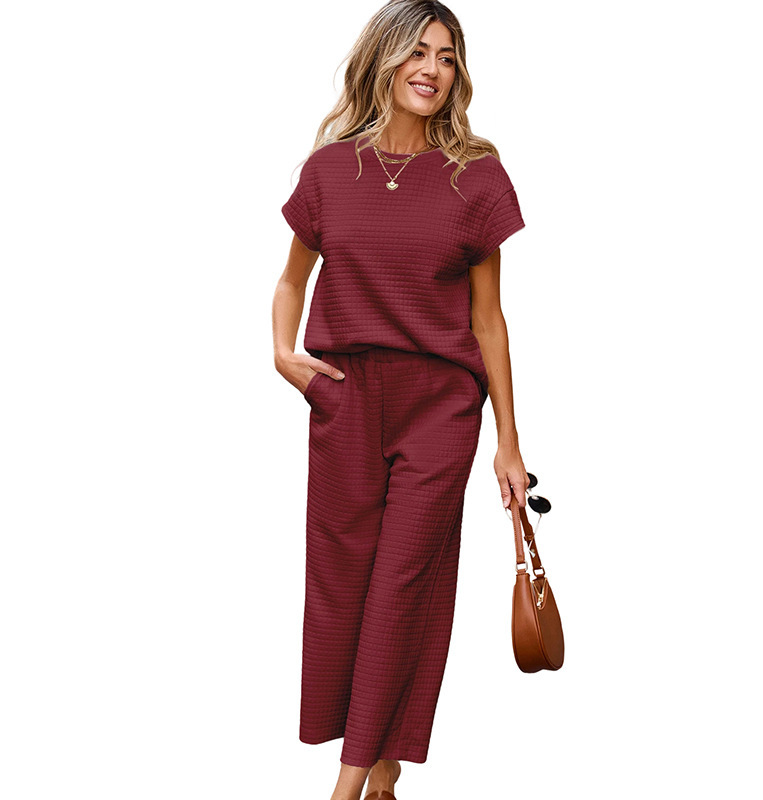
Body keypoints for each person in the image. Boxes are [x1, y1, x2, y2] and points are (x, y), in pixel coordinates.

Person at [273, 2, 530, 798]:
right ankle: (382, 766)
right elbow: (291, 280)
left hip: (440, 405)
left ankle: (346, 787)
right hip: (346, 399)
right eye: (418, 51)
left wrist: (508, 443)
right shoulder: (329, 170)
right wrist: (285, 357)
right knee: (343, 583)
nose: (432, 69)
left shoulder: (475, 175)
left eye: (447, 57)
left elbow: (487, 320)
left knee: (402, 585)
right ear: (383, 58)